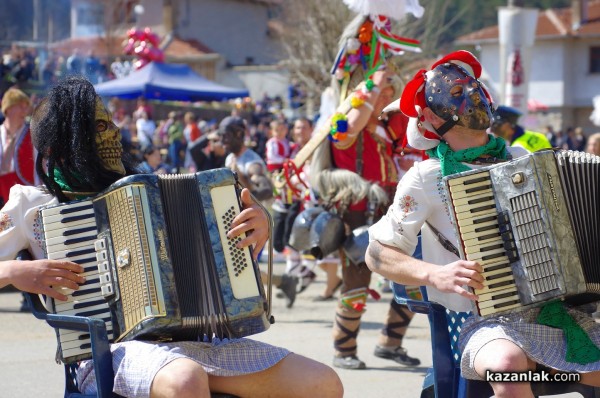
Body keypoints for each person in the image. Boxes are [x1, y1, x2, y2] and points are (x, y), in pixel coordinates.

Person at [0, 76, 343, 398]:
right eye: (101, 126)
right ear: (68, 142)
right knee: (186, 379)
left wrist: (256, 229)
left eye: (112, 123)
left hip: (196, 344)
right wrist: (17, 273)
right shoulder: (34, 206)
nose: (117, 133)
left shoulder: (152, 191)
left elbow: (223, 264)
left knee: (324, 383)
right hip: (108, 352)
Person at [366, 50, 600, 397]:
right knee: (508, 368)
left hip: (554, 311)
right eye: (457, 94)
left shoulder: (526, 160)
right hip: (482, 321)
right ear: (431, 115)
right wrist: (435, 274)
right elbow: (376, 254)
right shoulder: (425, 178)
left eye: (473, 87)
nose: (472, 97)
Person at [218, 116, 300, 308]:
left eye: (226, 136)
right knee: (244, 266)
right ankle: (284, 282)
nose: (223, 141)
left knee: (245, 266)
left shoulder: (252, 162)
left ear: (239, 134)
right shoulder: (231, 158)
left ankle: (257, 307)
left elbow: (266, 189)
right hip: (238, 220)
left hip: (255, 222)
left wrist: (246, 193)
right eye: (221, 136)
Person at [0, 87, 35, 207]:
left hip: (30, 199)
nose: (25, 111)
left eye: (26, 106)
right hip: (4, 202)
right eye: (21, 106)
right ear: (8, 108)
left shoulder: (32, 134)